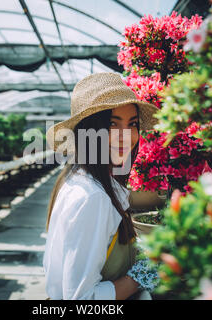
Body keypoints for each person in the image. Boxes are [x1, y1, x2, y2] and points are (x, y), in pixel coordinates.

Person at [43, 72, 159, 300]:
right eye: (112, 125)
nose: (126, 136)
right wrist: (141, 276)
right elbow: (82, 300)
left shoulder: (78, 178)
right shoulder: (92, 198)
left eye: (132, 124)